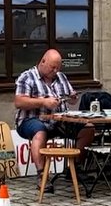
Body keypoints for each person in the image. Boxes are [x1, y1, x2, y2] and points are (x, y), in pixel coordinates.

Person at [14, 49, 95, 192]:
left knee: (88, 128)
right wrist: (43, 102)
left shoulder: (61, 77)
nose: (55, 71)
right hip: (31, 119)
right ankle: (42, 176)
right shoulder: (27, 77)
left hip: (58, 120)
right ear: (43, 61)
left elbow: (69, 97)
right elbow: (19, 102)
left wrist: (72, 97)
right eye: (53, 67)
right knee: (39, 131)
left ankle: (74, 168)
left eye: (58, 67)